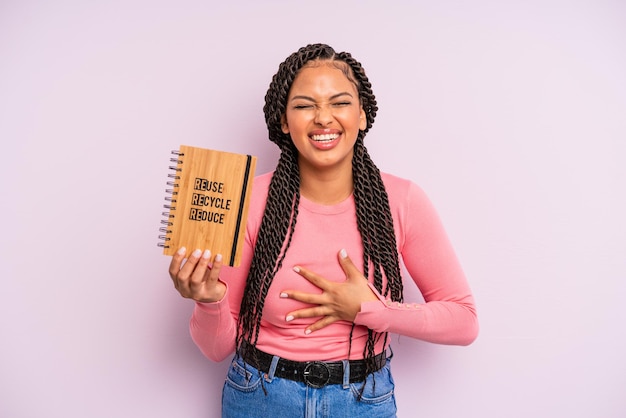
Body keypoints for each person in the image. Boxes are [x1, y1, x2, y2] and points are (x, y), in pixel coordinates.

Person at [169, 43, 478, 418]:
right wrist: (208, 299)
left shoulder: (403, 200)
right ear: (284, 121)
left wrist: (372, 310)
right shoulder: (248, 200)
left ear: (362, 115)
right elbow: (216, 349)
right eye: (304, 105)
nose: (323, 118)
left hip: (363, 401)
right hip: (260, 397)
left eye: (339, 102)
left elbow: (464, 321)